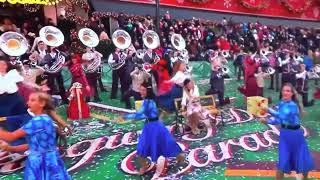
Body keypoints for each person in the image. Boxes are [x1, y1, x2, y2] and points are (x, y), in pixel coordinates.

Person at [0, 92, 71, 180]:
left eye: (32, 100)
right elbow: (31, 146)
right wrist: (9, 148)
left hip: (40, 163)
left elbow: (11, 137)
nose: (28, 103)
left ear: (42, 103)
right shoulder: (45, 119)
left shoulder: (38, 121)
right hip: (51, 160)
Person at [118, 82, 185, 175]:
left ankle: (180, 157)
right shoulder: (150, 101)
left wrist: (126, 117)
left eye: (143, 90)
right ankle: (144, 165)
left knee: (164, 145)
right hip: (150, 126)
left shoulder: (148, 102)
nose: (140, 91)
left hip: (155, 127)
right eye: (140, 89)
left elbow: (139, 115)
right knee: (144, 147)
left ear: (148, 91)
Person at [260, 83, 314, 180]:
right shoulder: (281, 103)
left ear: (292, 94)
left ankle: (305, 178)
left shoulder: (293, 106)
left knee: (301, 159)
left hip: (296, 136)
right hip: (285, 135)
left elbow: (282, 116)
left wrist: (268, 110)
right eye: (284, 90)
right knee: (283, 161)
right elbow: (280, 120)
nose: (285, 92)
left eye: (288, 91)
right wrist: (267, 121)